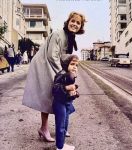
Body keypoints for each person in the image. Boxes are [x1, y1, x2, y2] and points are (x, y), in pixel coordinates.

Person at [22, 11, 86, 142]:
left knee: (62, 94)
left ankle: (62, 126)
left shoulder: (70, 37)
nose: (74, 24)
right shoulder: (58, 34)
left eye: (78, 23)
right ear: (68, 22)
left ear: (81, 27)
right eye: (72, 21)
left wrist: (72, 61)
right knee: (49, 95)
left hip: (51, 63)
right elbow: (52, 56)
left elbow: (62, 56)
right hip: (43, 64)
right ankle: (44, 128)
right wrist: (64, 74)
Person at [52, 55, 79, 150]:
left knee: (65, 124)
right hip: (60, 103)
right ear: (66, 64)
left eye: (76, 65)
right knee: (61, 125)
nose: (75, 67)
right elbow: (55, 89)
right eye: (72, 64)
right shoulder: (61, 74)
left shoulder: (69, 74)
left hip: (66, 102)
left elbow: (71, 88)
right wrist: (67, 88)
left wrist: (74, 92)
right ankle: (59, 147)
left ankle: (62, 143)